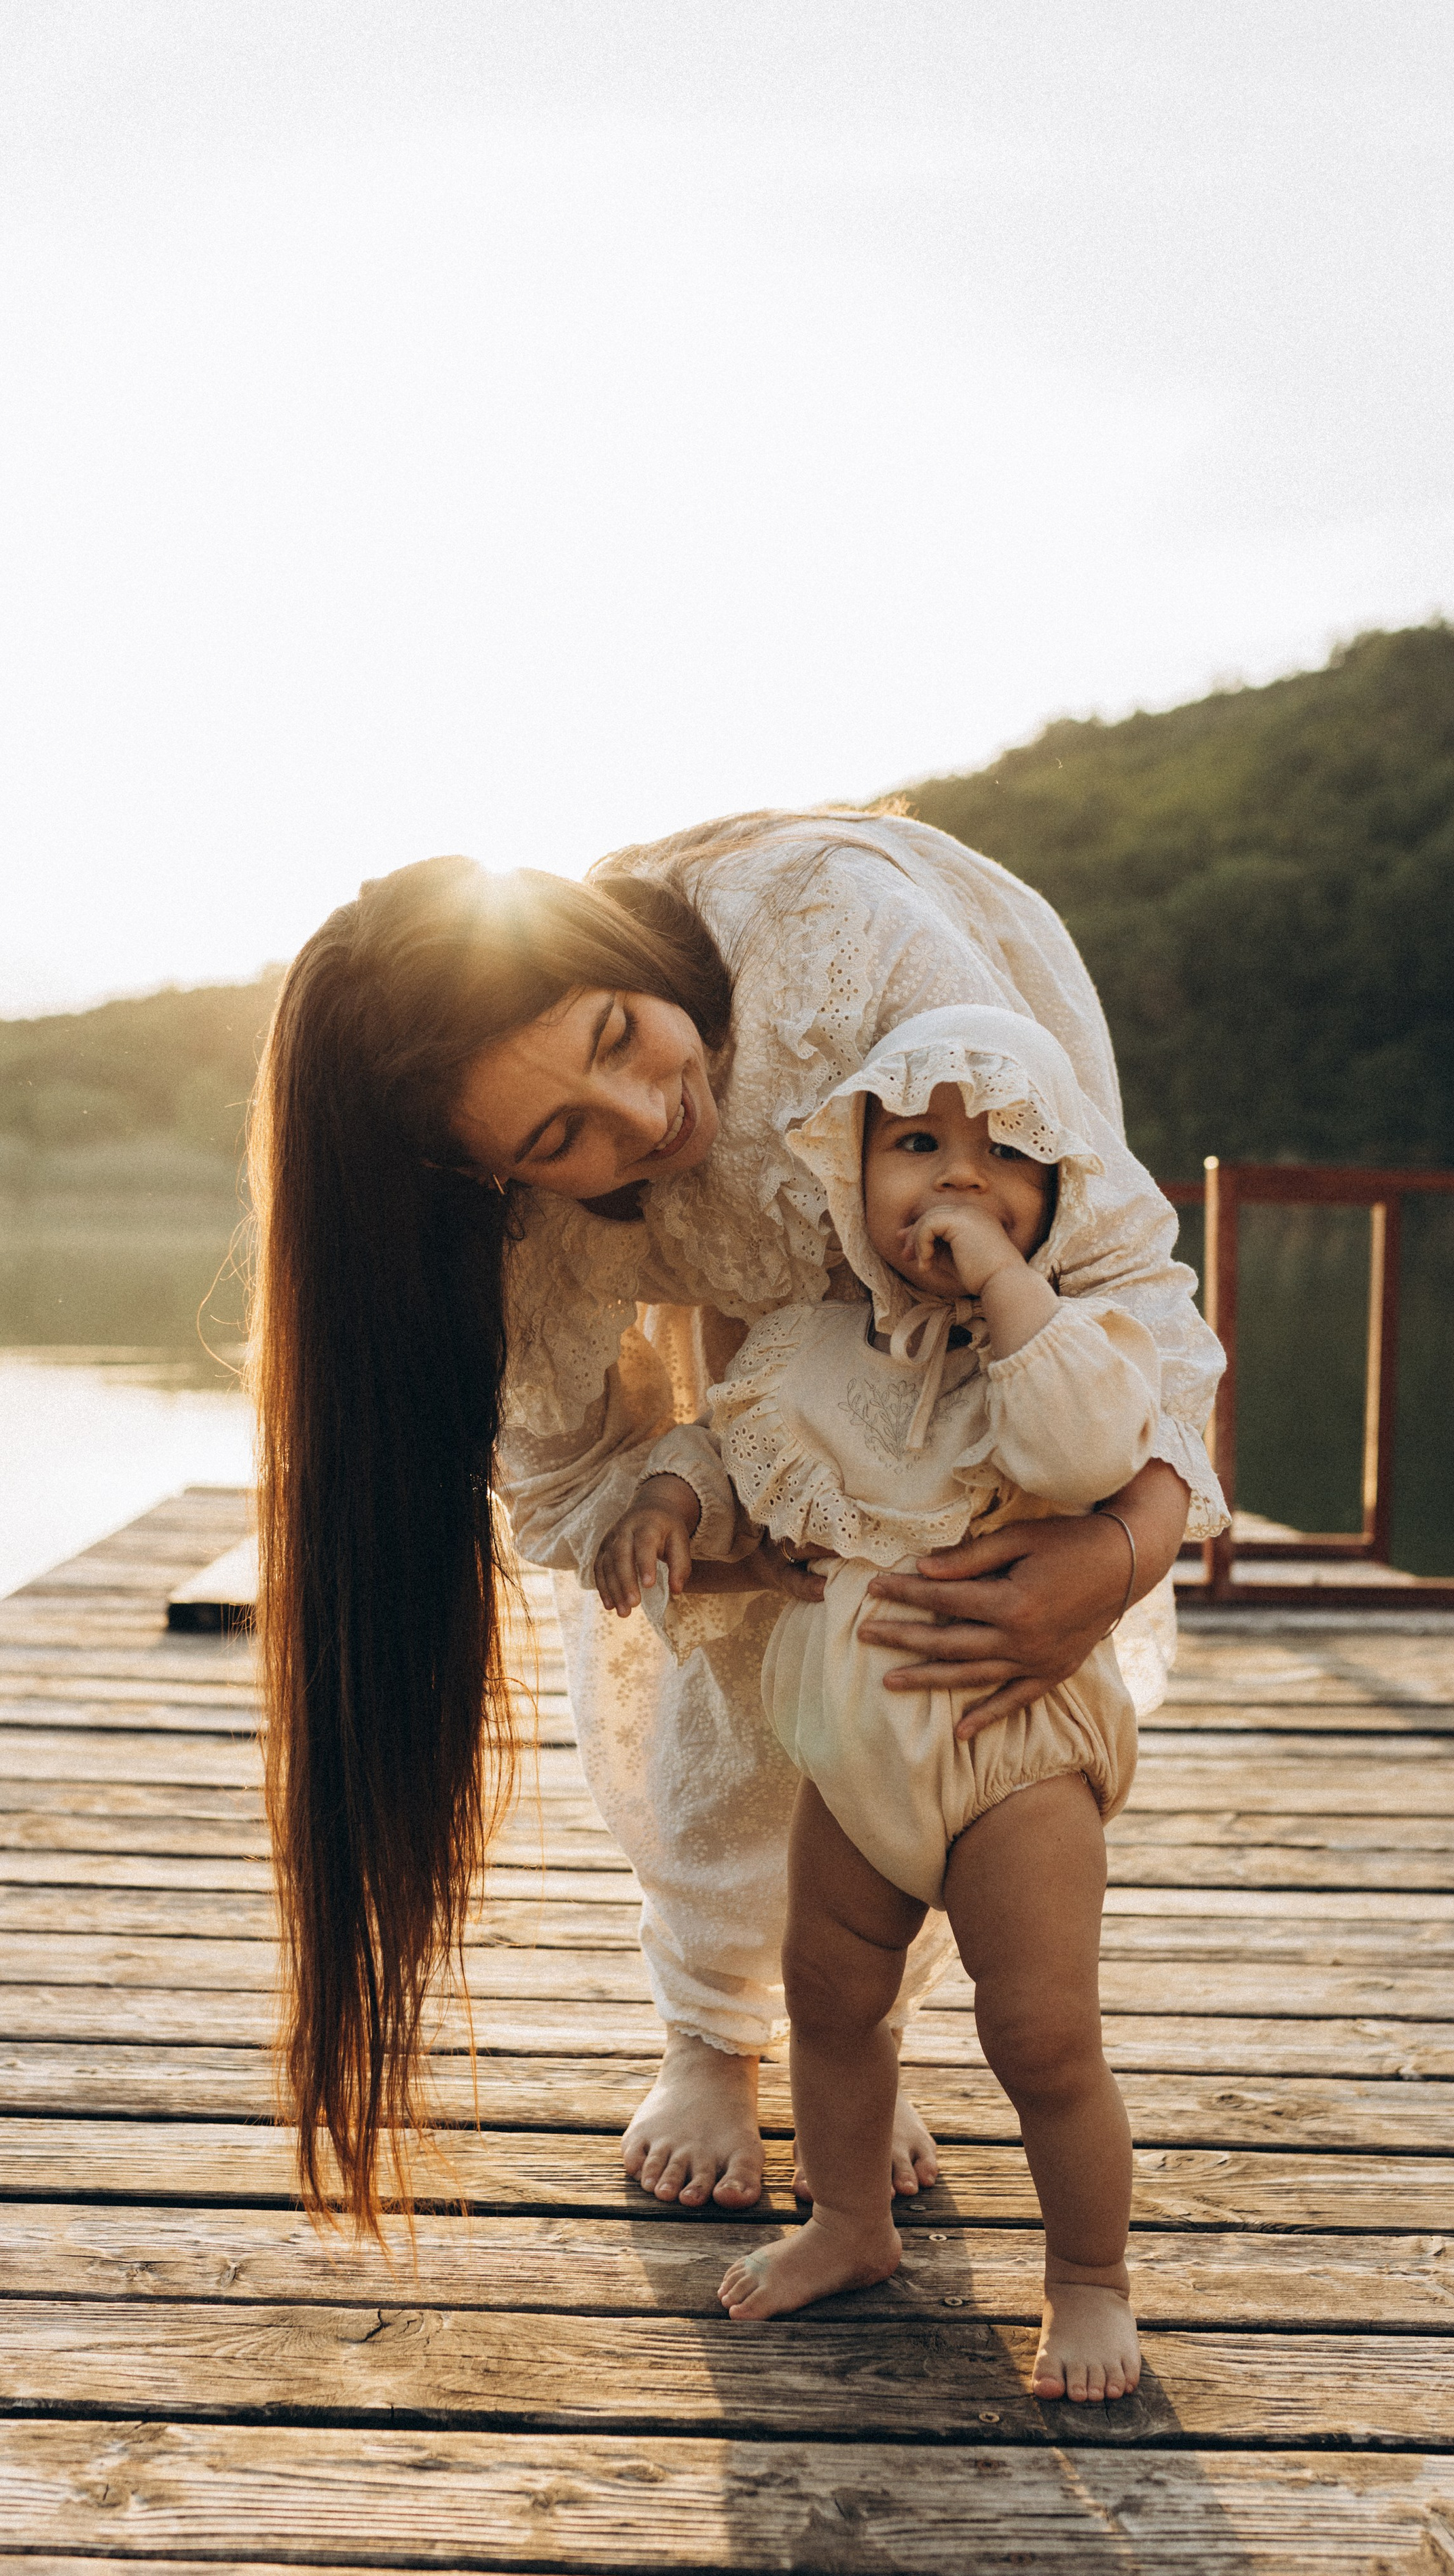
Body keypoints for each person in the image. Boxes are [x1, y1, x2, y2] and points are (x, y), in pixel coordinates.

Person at [249, 809, 1226, 2230]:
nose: (645, 1117)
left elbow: (1126, 1291)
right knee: (744, 1631)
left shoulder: (843, 940)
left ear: (607, 951)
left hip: (969, 1205)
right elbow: (564, 1463)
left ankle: (865, 2043)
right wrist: (709, 1534)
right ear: (495, 1178)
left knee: (940, 1655)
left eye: (612, 1036)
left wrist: (1122, 1545)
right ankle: (712, 2029)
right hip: (768, 1342)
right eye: (562, 1136)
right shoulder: (535, 1220)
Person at [594, 1004, 1195, 2398]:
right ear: (851, 1173)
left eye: (1002, 1158)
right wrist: (670, 1503)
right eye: (914, 1144)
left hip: (1011, 1759)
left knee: (1038, 2033)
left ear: (1056, 1191)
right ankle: (849, 2223)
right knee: (826, 1999)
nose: (956, 1178)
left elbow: (1091, 1447)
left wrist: (1003, 1288)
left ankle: (1087, 2280)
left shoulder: (1063, 1346)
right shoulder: (809, 1346)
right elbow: (723, 1433)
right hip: (851, 1766)